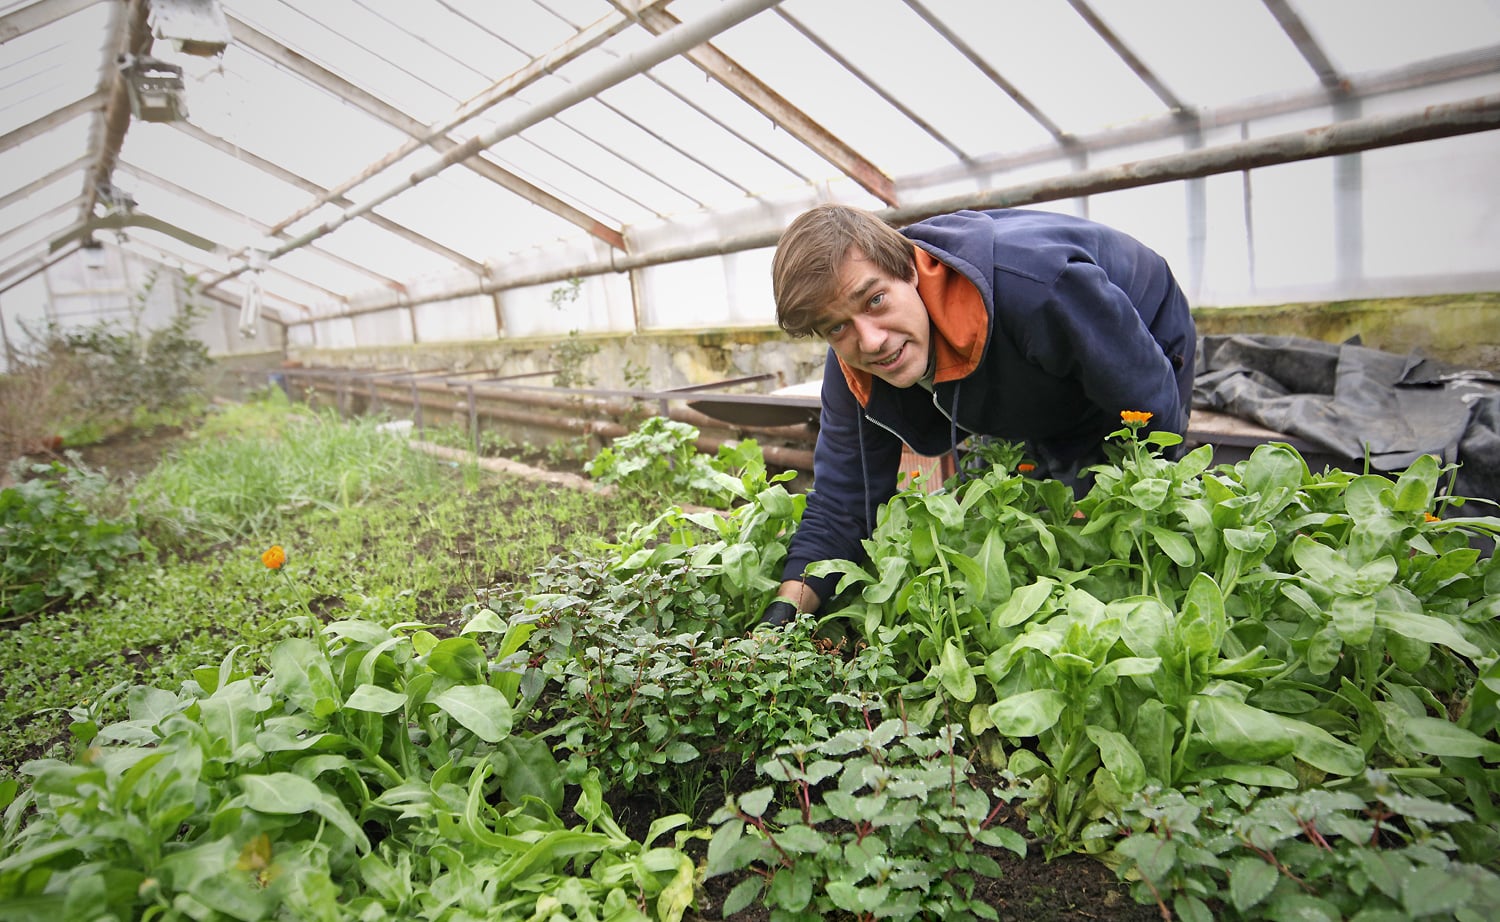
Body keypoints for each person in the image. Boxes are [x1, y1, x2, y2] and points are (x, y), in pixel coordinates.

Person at [760, 204, 1196, 627]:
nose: (870, 341)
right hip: (1028, 353)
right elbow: (841, 504)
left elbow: (1150, 413)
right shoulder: (853, 364)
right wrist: (783, 615)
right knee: (1029, 507)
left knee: (1121, 501)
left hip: (1133, 327)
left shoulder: (1039, 287)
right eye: (836, 327)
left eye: (875, 300)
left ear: (909, 269)